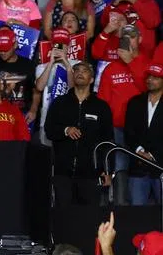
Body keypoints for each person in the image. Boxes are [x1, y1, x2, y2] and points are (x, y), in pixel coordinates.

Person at [45, 60, 115, 206]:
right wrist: (65, 130)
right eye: (77, 70)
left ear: (92, 79)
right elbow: (49, 130)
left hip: (91, 174)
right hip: (63, 172)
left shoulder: (101, 107)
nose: (80, 73)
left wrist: (108, 171)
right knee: (63, 219)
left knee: (89, 221)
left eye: (84, 70)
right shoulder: (59, 103)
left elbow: (108, 141)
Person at [125, 64, 163, 205]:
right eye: (149, 76)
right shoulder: (135, 102)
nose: (150, 80)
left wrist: (152, 155)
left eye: (155, 77)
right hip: (138, 166)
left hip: (161, 167)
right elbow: (129, 132)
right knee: (136, 214)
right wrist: (139, 152)